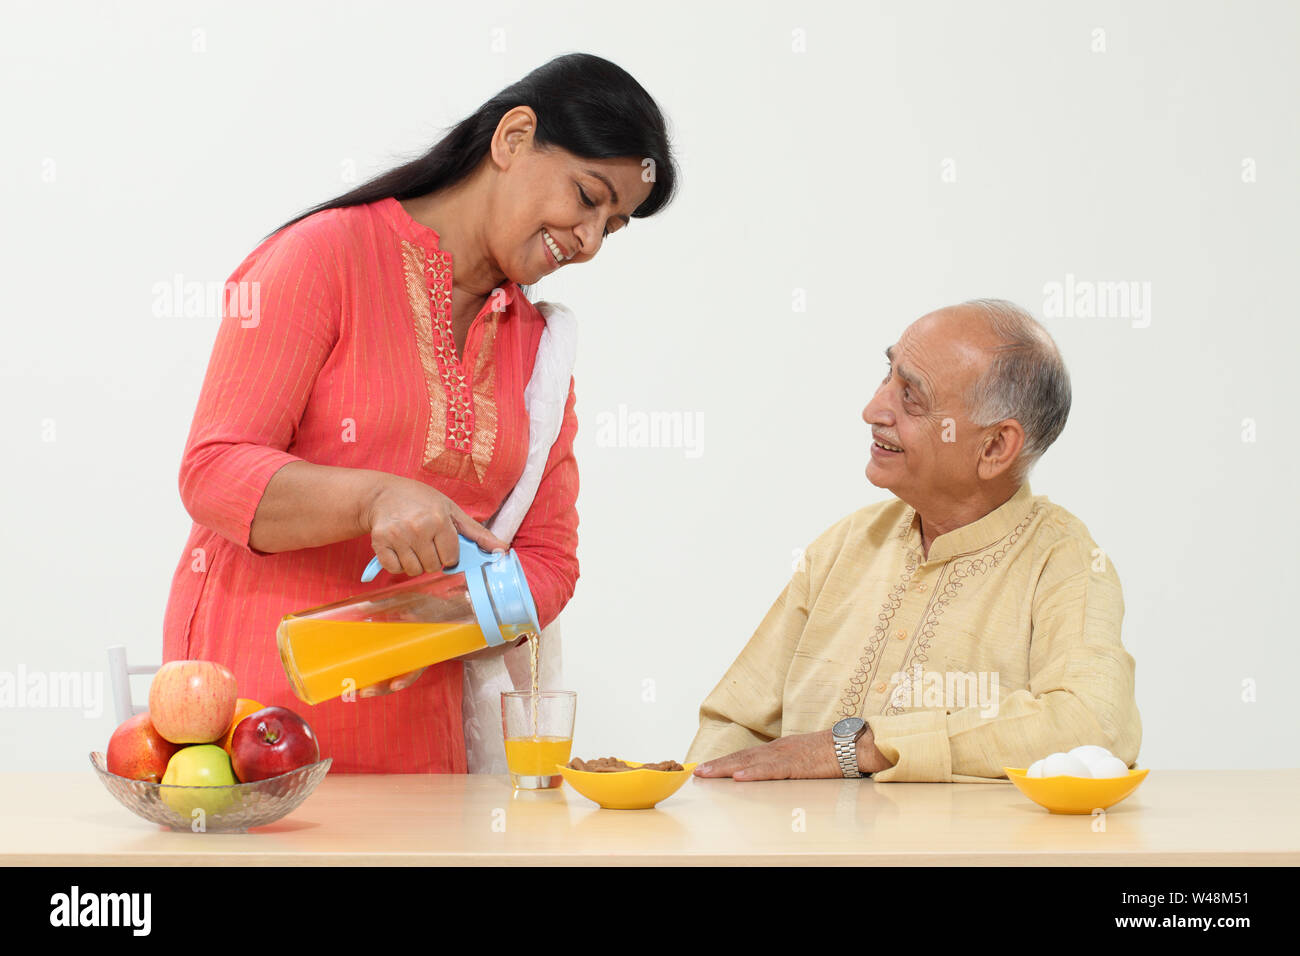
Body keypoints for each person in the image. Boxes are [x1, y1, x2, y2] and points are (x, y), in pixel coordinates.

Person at [163, 53, 678, 773]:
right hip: (256, 729)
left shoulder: (540, 349)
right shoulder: (324, 259)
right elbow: (214, 470)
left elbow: (551, 558)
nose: (589, 241)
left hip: (422, 746)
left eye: (613, 226)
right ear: (513, 138)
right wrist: (374, 497)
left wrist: (444, 619)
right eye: (588, 197)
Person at [686, 299, 1141, 782]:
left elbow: (1095, 722)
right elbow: (734, 724)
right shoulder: (845, 546)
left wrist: (865, 748)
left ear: (994, 447)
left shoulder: (1063, 560)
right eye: (888, 375)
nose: (872, 409)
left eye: (911, 397)